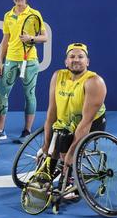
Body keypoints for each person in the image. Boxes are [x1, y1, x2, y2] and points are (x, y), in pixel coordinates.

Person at [40, 43, 107, 172]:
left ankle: (70, 182)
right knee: (55, 141)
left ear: (87, 62)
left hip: (92, 123)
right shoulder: (57, 76)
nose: (76, 59)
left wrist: (71, 154)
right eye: (72, 56)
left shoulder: (94, 82)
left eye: (80, 56)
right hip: (66, 123)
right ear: (66, 62)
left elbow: (86, 122)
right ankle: (47, 174)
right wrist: (46, 145)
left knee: (65, 140)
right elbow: (52, 113)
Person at [0, 0, 48, 143]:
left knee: (29, 95)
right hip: (11, 60)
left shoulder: (35, 14)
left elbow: (44, 37)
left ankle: (27, 131)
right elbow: (5, 39)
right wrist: (0, 62)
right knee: (1, 95)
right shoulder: (7, 15)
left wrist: (31, 38)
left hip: (30, 61)